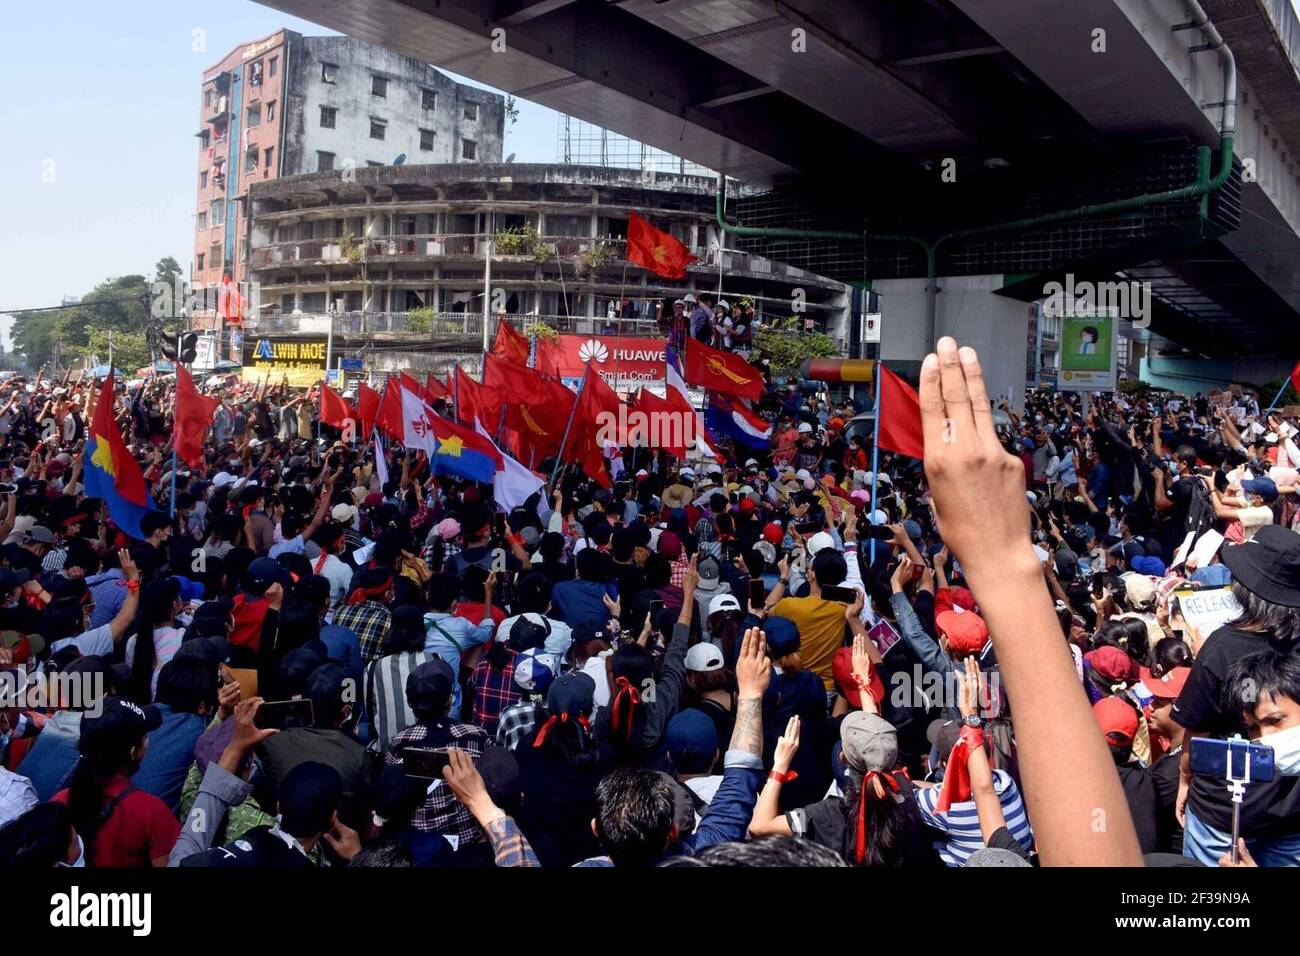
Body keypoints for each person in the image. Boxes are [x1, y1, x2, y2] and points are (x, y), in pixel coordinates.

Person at [1173, 524, 1300, 866]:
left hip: (1223, 813)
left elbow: (1196, 736)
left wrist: (1185, 780)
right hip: (1289, 819)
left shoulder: (1219, 648)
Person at [52, 697, 181, 867]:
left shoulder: (59, 803)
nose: (148, 742)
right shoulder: (151, 813)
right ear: (133, 751)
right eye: (145, 736)